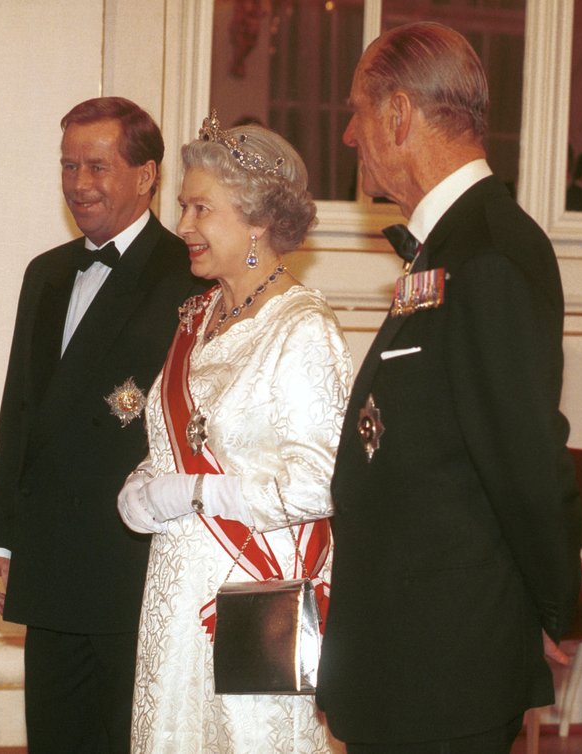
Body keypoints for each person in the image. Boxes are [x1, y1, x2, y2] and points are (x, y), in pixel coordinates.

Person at [317, 22, 582, 753]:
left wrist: (550, 609)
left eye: (358, 112)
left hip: (444, 669)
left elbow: (525, 461)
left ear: (398, 115)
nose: (348, 136)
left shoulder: (491, 252)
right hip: (405, 656)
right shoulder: (452, 246)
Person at [117, 113, 352, 752]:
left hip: (251, 606)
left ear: (257, 221)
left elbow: (323, 482)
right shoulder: (199, 317)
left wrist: (199, 494)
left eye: (200, 208)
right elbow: (176, 443)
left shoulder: (301, 329)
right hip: (176, 596)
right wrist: (143, 487)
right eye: (183, 206)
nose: (183, 226)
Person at [0, 96, 206, 753]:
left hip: (129, 569)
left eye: (98, 167)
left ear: (147, 175)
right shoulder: (45, 275)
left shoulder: (186, 275)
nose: (79, 184)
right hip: (48, 565)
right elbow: (18, 412)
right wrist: (0, 539)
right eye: (68, 167)